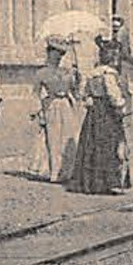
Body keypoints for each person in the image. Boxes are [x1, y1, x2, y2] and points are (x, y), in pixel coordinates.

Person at [67, 37, 132, 194]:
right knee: (108, 145)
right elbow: (113, 95)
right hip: (107, 113)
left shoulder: (92, 73)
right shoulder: (109, 74)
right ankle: (107, 183)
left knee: (92, 146)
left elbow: (84, 94)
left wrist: (91, 100)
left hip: (94, 113)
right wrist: (121, 107)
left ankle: (89, 182)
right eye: (114, 55)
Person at [32, 39, 81, 182]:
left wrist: (77, 80)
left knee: (68, 138)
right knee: (53, 138)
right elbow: (35, 93)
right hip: (51, 105)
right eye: (55, 54)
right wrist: (38, 112)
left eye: (61, 54)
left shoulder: (67, 72)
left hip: (66, 105)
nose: (58, 57)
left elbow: (76, 92)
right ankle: (54, 172)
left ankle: (68, 171)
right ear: (48, 53)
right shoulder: (42, 73)